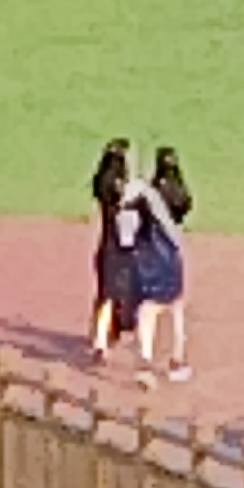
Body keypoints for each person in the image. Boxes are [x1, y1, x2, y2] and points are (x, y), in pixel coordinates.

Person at [126, 145, 193, 383]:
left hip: (150, 257)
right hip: (171, 257)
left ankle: (145, 362)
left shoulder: (150, 195)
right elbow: (184, 209)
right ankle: (177, 360)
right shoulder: (180, 193)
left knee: (148, 310)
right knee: (176, 308)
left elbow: (129, 213)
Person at [86, 140, 139, 366]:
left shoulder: (101, 187)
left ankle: (100, 340)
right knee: (126, 294)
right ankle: (121, 332)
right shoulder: (125, 191)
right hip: (124, 249)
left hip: (105, 248)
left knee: (105, 296)